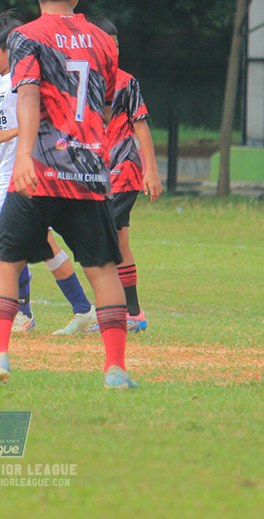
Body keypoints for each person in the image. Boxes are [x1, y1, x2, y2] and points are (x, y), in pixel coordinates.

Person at [0, 0, 139, 389]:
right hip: (90, 172)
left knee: (6, 259)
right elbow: (106, 105)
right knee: (103, 270)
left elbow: (28, 96)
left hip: (39, 170)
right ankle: (115, 369)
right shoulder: (102, 41)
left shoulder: (25, 37)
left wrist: (24, 157)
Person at [0, 10, 97, 335]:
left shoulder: (25, 79)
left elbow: (45, 117)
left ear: (9, 50)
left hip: (21, 170)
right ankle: (74, 309)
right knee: (30, 241)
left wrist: (11, 135)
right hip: (0, 171)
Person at [90, 17, 162, 332]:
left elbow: (141, 127)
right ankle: (133, 313)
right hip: (96, 172)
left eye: (117, 45)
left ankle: (112, 313)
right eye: (108, 45)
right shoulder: (84, 81)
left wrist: (152, 171)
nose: (114, 51)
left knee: (101, 240)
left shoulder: (126, 82)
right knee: (119, 240)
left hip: (124, 169)